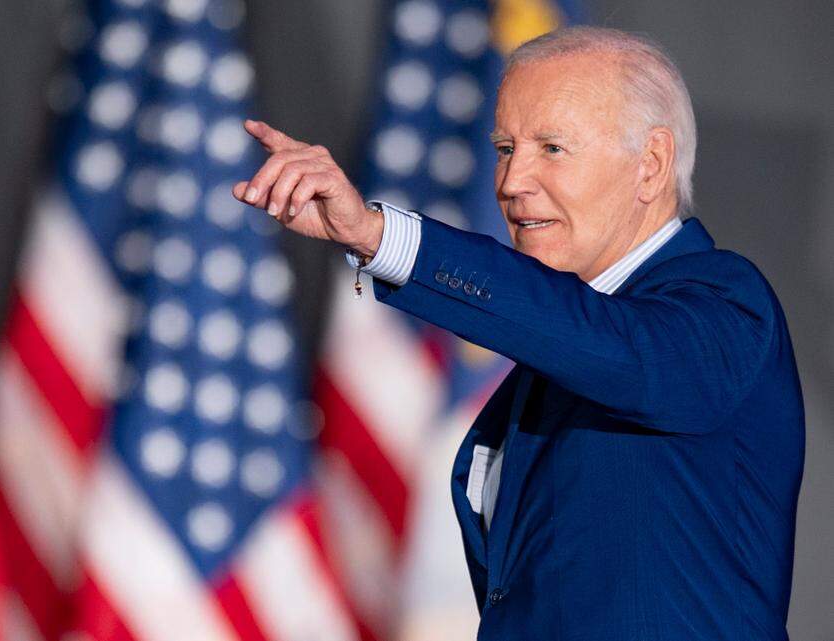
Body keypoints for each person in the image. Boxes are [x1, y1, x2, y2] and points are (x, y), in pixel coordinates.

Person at [233, 26, 804, 641]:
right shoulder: (548, 365)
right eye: (505, 148)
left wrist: (380, 237)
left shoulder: (725, 307)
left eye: (552, 148)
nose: (510, 182)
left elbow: (606, 343)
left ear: (652, 164)